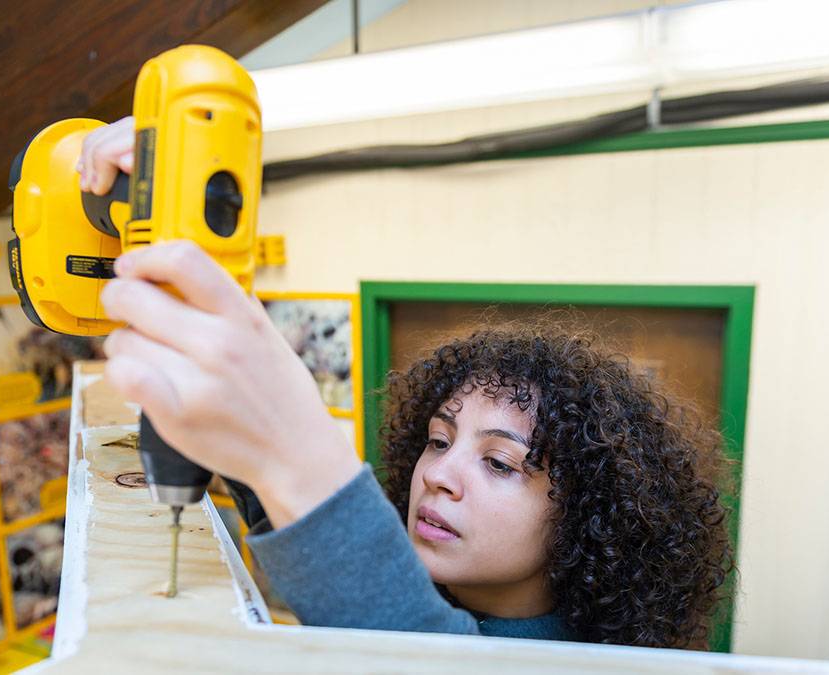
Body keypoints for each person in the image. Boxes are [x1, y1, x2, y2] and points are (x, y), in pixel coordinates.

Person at [82, 122, 733, 647]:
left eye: (500, 462)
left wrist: (294, 449)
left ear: (588, 517)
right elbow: (320, 551)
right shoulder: (447, 593)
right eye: (439, 439)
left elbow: (421, 648)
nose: (441, 474)